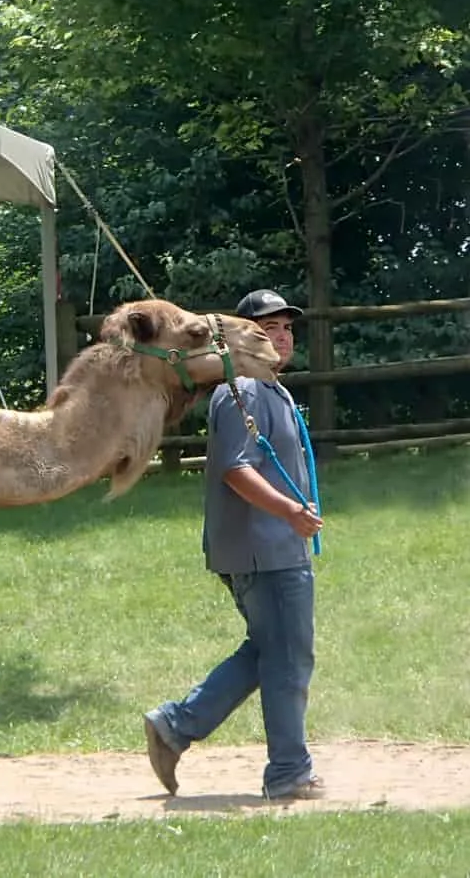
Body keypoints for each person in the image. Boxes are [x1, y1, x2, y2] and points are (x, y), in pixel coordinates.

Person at [143, 288, 325, 801]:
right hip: (262, 551)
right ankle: (289, 771)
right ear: (241, 337)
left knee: (271, 651)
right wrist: (290, 511)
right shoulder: (237, 392)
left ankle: (174, 727)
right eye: (269, 328)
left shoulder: (271, 391)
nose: (282, 337)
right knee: (287, 658)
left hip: (278, 547)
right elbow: (235, 470)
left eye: (287, 328)